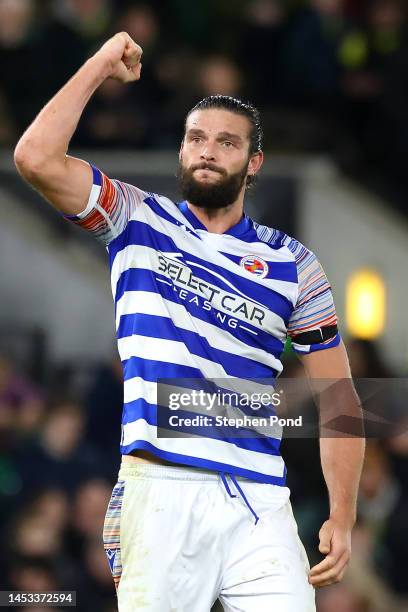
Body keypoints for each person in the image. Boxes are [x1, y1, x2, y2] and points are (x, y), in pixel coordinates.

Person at [14, 32, 365, 612]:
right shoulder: (134, 217)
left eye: (226, 143)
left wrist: (344, 515)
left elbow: (340, 398)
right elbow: (33, 159)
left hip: (260, 500)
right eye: (196, 138)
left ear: (253, 164)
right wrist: (100, 65)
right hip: (160, 490)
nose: (207, 150)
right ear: (180, 151)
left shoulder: (293, 263)